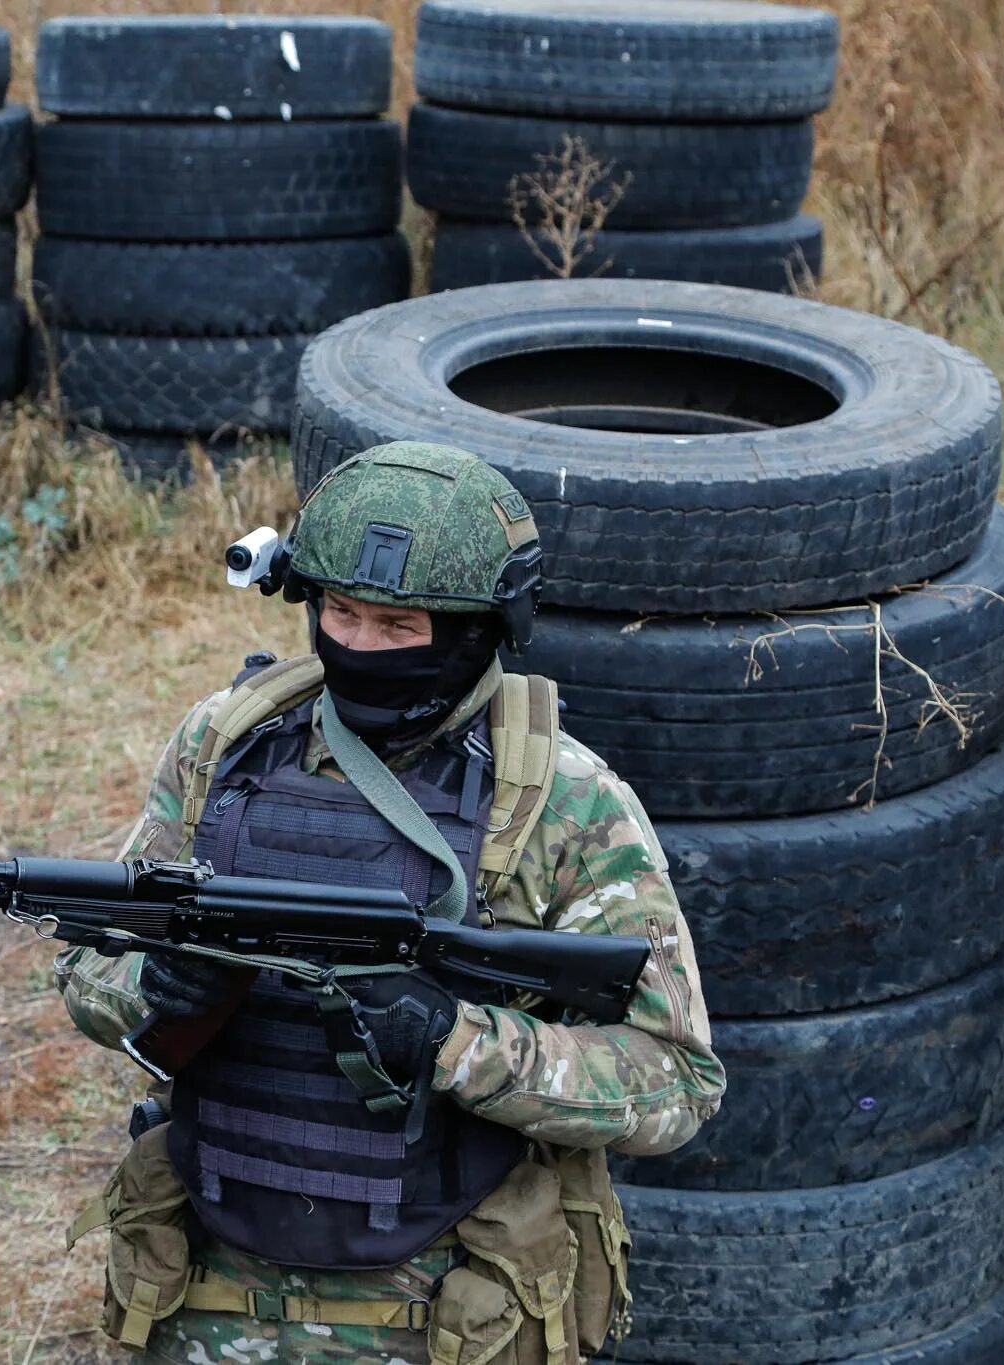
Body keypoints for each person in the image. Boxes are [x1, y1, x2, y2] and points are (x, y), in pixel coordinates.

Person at [58, 442, 725, 1364]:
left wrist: (459, 1043)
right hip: (205, 1287)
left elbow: (675, 1084)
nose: (360, 647)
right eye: (341, 612)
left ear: (479, 629)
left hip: (448, 1309)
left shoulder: (563, 802)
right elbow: (88, 963)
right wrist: (151, 988)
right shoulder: (227, 748)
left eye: (398, 626)